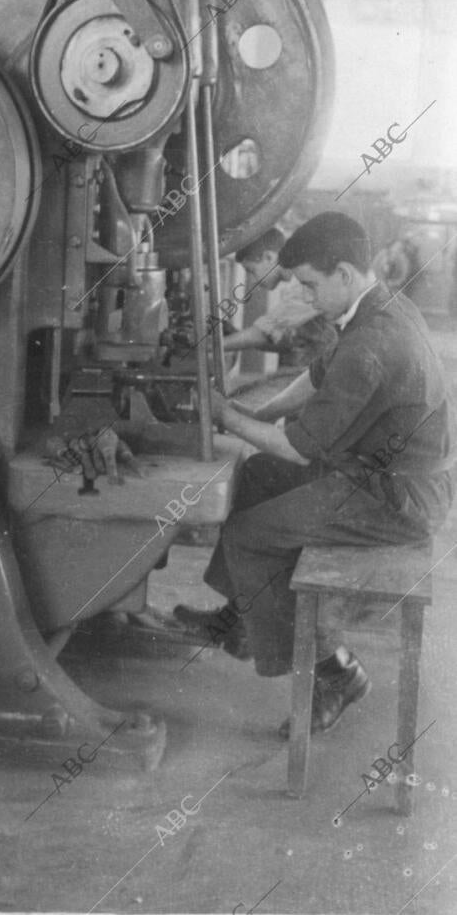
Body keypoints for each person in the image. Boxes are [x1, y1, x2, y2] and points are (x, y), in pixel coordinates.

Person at [175, 212, 456, 736]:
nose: (304, 294)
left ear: (345, 273)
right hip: (373, 472)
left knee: (250, 536)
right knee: (258, 473)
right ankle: (241, 617)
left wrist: (225, 415)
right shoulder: (376, 309)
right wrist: (253, 415)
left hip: (395, 499)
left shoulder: (373, 343)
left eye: (309, 284)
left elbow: (300, 449)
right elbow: (314, 376)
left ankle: (337, 673)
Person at [224, 227, 336, 368]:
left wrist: (211, 346)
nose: (252, 280)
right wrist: (236, 335)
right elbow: (283, 341)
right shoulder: (295, 284)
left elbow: (263, 333)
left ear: (269, 257)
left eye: (251, 270)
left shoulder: (305, 280)